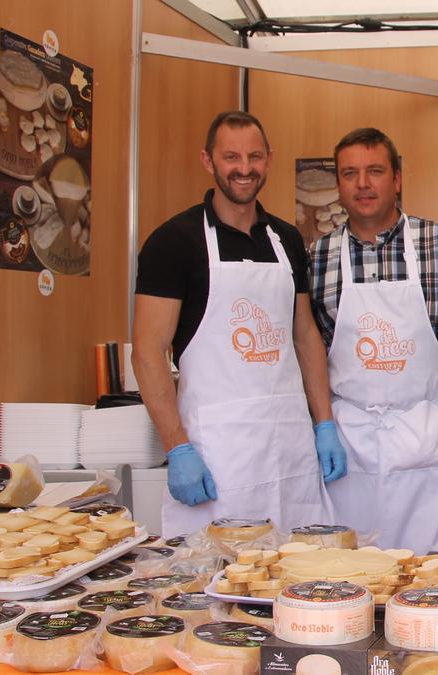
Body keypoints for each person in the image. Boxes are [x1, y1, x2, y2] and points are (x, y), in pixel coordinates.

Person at [132, 111, 344, 537]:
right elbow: (147, 351)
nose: (244, 168)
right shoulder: (174, 242)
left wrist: (324, 424)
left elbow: (305, 337)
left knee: (296, 581)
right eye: (231, 157)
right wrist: (177, 447)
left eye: (254, 156)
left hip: (288, 452)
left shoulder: (286, 241)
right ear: (208, 161)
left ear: (269, 159)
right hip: (217, 459)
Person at [309, 128, 438, 552]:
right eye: (350, 173)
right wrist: (324, 426)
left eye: (375, 171)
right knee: (349, 583)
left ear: (397, 179)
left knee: (432, 583)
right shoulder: (317, 257)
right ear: (339, 185)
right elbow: (305, 351)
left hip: (428, 437)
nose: (363, 184)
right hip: (348, 445)